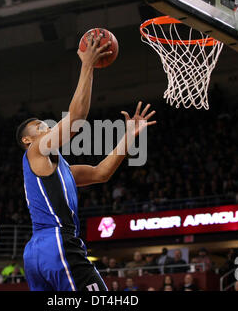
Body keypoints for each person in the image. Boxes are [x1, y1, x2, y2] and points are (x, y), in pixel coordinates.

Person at [17, 32, 156, 291]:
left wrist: (129, 136)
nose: (46, 127)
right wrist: (87, 64)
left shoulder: (60, 168)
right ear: (27, 141)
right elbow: (77, 118)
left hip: (37, 252)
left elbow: (101, 173)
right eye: (39, 126)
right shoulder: (35, 151)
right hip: (57, 242)